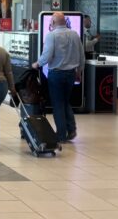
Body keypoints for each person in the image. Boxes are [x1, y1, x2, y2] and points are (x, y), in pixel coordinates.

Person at [34, 12, 84, 143]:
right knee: (65, 101)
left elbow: (47, 55)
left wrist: (37, 64)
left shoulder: (52, 35)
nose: (50, 23)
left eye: (51, 21)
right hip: (71, 74)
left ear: (54, 22)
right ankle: (71, 129)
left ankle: (61, 134)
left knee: (57, 104)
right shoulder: (75, 34)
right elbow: (81, 56)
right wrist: (79, 71)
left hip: (56, 74)